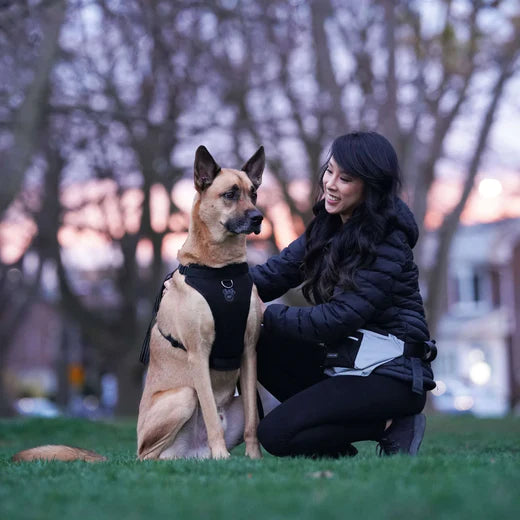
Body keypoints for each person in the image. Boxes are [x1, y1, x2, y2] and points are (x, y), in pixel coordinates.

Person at [250, 131, 436, 458]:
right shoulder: (328, 225)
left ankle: (393, 425)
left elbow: (337, 319)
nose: (331, 184)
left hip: (392, 375)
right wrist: (205, 279)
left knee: (274, 434)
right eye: (330, 171)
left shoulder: (386, 240)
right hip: (346, 362)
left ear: (371, 187)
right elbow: (272, 275)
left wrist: (267, 314)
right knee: (259, 340)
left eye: (345, 178)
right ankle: (331, 442)